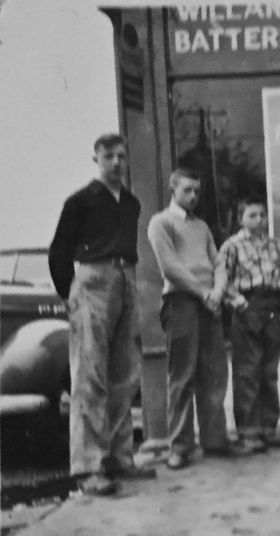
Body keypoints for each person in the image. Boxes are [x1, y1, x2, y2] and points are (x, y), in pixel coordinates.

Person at [48, 133, 156, 496]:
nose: (117, 163)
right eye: (109, 156)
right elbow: (59, 252)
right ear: (96, 158)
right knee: (90, 375)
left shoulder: (131, 203)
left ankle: (119, 457)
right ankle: (88, 467)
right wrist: (70, 296)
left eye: (122, 156)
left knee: (124, 373)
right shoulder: (80, 201)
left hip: (126, 278)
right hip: (92, 281)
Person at [147, 168, 250, 470]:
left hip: (209, 303)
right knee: (182, 376)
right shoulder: (161, 223)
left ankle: (215, 440)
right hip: (182, 303)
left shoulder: (202, 226)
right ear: (173, 189)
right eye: (187, 190)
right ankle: (179, 446)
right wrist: (204, 293)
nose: (193, 196)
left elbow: (217, 261)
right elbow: (170, 268)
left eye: (197, 191)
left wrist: (219, 291)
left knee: (215, 373)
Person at [218, 197, 280, 453]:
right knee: (248, 371)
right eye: (252, 215)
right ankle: (249, 431)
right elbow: (222, 281)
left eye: (262, 214)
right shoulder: (232, 246)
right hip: (248, 306)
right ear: (241, 219)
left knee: (269, 371)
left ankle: (268, 426)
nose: (259, 219)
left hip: (270, 307)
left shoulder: (274, 245)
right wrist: (240, 305)